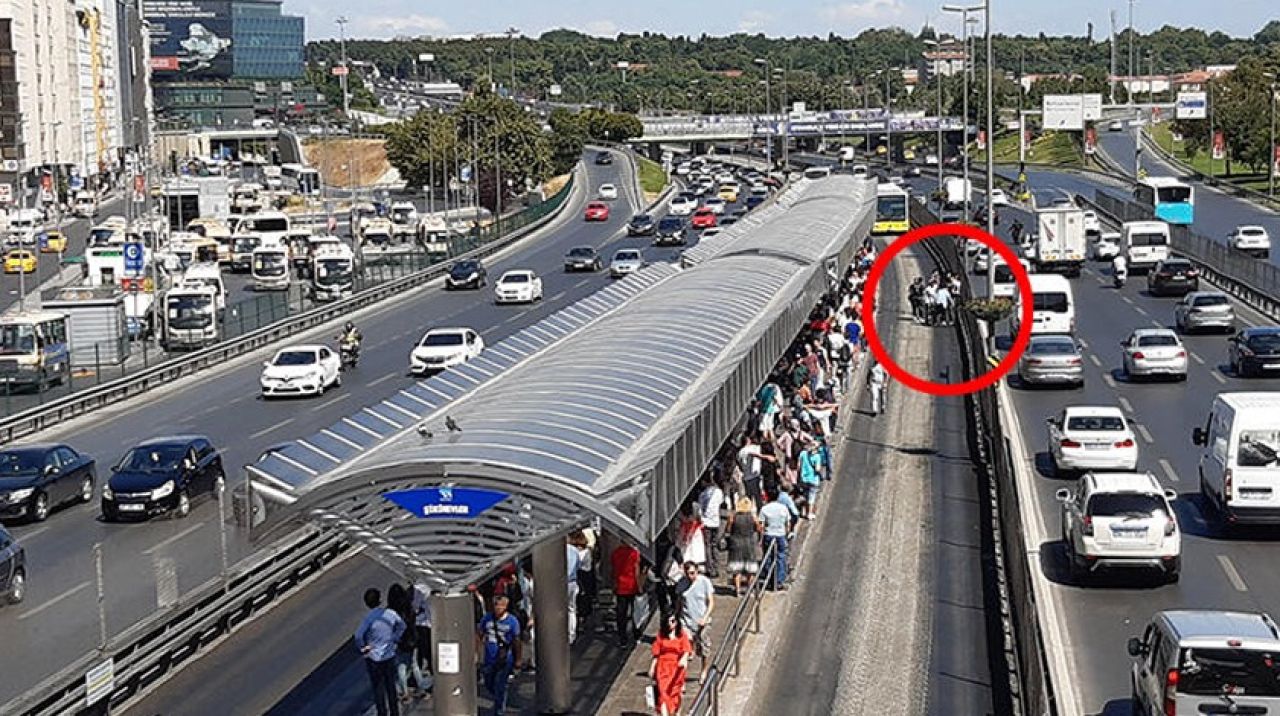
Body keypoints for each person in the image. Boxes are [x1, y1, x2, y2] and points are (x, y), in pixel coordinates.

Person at [354, 588, 405, 716]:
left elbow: (358, 636)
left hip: (374, 657)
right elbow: (402, 625)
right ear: (379, 600)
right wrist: (394, 638)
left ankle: (382, 712)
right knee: (391, 686)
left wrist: (364, 648)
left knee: (378, 688)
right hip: (389, 655)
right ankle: (395, 712)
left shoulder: (368, 618)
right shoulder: (390, 614)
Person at [477, 595, 521, 716]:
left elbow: (516, 641)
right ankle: (499, 696)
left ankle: (499, 710)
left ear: (506, 607)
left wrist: (518, 659)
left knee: (500, 683)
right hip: (489, 657)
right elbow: (480, 634)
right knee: (488, 682)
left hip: (504, 657)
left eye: (501, 605)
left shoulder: (512, 621)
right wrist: (476, 652)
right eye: (496, 605)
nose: (498, 608)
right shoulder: (487, 618)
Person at [675, 561, 715, 683]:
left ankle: (703, 670)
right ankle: (681, 679)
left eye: (692, 573)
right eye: (688, 574)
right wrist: (676, 616)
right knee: (684, 648)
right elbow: (679, 602)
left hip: (701, 621)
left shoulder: (704, 582)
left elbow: (711, 602)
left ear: (697, 571)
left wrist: (705, 617)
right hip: (686, 621)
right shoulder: (681, 584)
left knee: (703, 649)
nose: (690, 576)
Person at [648, 612, 694, 716]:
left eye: (673, 621)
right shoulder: (661, 635)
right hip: (663, 667)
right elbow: (656, 652)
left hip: (676, 668)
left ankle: (676, 711)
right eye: (669, 621)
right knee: (663, 692)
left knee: (675, 692)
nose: (671, 623)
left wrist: (684, 658)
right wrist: (652, 667)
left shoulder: (681, 634)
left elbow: (686, 649)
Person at [387, 583, 425, 702]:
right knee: (414, 665)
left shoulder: (391, 611)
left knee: (401, 666)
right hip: (412, 639)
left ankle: (405, 692)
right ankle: (421, 688)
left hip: (400, 641)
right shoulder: (409, 607)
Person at [726, 497, 762, 596]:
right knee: (750, 568)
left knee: (736, 569)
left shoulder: (733, 517)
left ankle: (737, 590)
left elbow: (728, 530)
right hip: (749, 543)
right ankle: (749, 589)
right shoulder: (753, 517)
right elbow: (759, 529)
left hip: (736, 543)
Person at [611, 541, 643, 646]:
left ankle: (622, 638)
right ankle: (637, 634)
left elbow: (614, 570)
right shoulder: (634, 553)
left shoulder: (615, 553)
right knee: (635, 611)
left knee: (621, 613)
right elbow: (636, 571)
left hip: (620, 585)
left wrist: (614, 584)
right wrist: (639, 586)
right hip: (632, 585)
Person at [759, 493, 792, 591]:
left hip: (768, 534)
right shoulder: (783, 508)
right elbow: (788, 523)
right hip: (780, 535)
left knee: (768, 557)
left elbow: (761, 526)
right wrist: (787, 534)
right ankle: (779, 581)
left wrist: (760, 539)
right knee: (781, 557)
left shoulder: (764, 509)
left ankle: (769, 579)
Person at [697, 478, 724, 579]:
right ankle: (716, 566)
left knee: (707, 546)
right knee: (714, 545)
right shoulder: (718, 491)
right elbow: (720, 503)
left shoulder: (703, 495)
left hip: (706, 523)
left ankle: (710, 568)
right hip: (716, 522)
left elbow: (699, 510)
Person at [411, 583, 434, 684]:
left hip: (422, 622)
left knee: (422, 649)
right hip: (432, 621)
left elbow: (416, 606)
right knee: (430, 649)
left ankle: (420, 673)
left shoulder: (419, 588)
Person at [798, 441, 824, 519]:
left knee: (805, 495)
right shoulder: (817, 457)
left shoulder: (802, 453)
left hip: (804, 478)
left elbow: (798, 466)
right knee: (811, 497)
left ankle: (804, 511)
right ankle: (809, 513)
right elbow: (817, 469)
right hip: (813, 479)